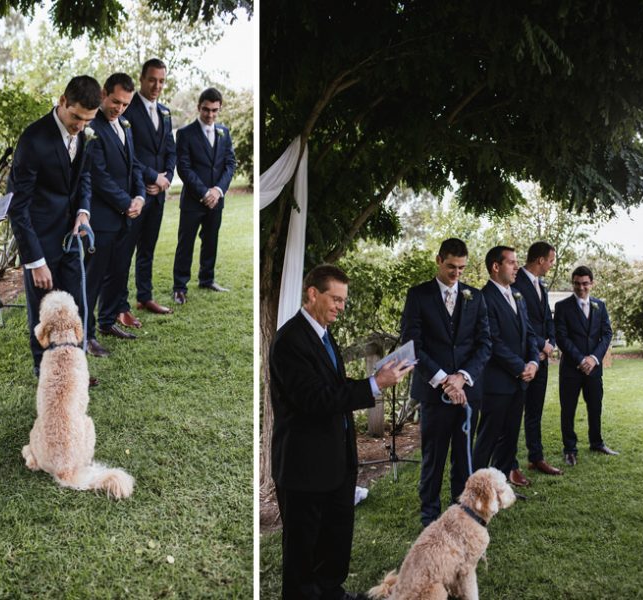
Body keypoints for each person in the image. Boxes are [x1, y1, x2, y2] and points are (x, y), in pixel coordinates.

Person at [270, 264, 414, 600]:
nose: (340, 307)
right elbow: (314, 399)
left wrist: (374, 379)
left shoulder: (323, 332)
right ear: (312, 294)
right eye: (335, 299)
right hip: (304, 466)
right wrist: (374, 385)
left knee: (334, 543)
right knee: (302, 555)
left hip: (335, 461)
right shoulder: (290, 340)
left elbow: (333, 386)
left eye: (344, 301)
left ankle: (332, 593)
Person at [7, 75, 101, 376]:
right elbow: (17, 206)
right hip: (41, 241)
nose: (80, 126)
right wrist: (35, 261)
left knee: (76, 306)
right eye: (76, 117)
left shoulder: (84, 135)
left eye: (87, 120)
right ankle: (44, 371)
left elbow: (83, 177)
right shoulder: (33, 139)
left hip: (71, 238)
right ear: (62, 101)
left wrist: (83, 212)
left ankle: (73, 368)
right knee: (43, 311)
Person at [400, 238, 491, 527]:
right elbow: (412, 344)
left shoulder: (475, 297)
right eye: (451, 266)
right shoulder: (419, 295)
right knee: (433, 458)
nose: (456, 273)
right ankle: (430, 516)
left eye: (462, 268)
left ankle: (461, 513)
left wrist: (462, 378)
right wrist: (443, 380)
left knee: (464, 459)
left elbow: (484, 344)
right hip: (433, 392)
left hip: (466, 393)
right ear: (439, 260)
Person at [83, 72, 145, 356]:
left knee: (118, 273)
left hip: (125, 216)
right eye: (116, 102)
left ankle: (109, 321)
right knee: (93, 280)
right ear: (104, 93)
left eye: (125, 105)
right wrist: (126, 202)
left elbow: (134, 165)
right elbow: (98, 175)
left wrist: (141, 196)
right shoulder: (91, 126)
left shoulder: (125, 125)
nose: (119, 109)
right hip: (102, 218)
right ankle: (87, 334)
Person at [113, 58, 177, 329]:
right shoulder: (128, 109)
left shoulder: (164, 112)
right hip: (136, 192)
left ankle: (145, 297)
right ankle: (119, 306)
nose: (156, 86)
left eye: (161, 81)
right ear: (141, 78)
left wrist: (166, 179)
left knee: (148, 249)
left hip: (159, 194)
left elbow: (171, 151)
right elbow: (128, 154)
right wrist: (152, 177)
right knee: (125, 251)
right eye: (152, 80)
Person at [473, 246, 540, 487]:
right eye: (512, 263)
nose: (517, 267)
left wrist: (533, 362)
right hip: (497, 383)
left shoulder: (518, 295)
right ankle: (477, 489)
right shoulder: (483, 298)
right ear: (496, 266)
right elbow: (492, 341)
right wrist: (520, 366)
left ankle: (499, 488)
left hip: (519, 382)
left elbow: (530, 334)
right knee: (487, 439)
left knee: (510, 439)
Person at [171, 87, 236, 304]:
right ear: (199, 107)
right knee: (185, 243)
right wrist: (204, 192)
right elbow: (184, 167)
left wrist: (218, 190)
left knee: (211, 241)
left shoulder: (224, 133)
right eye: (206, 110)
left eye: (214, 110)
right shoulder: (185, 134)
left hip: (217, 199)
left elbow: (230, 163)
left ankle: (207, 279)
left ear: (219, 109)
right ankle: (179, 286)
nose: (210, 115)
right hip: (193, 200)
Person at [554, 266, 616, 465]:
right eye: (577, 283)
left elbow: (606, 333)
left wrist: (594, 359)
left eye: (585, 283)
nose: (581, 288)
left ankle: (597, 442)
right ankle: (569, 449)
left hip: (594, 369)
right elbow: (561, 337)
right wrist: (581, 359)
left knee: (595, 407)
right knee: (568, 410)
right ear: (573, 283)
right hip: (571, 369)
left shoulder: (600, 305)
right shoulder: (563, 307)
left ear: (592, 284)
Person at [510, 241, 562, 480]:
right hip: (523, 359)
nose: (551, 265)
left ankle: (536, 457)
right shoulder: (515, 282)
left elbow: (546, 318)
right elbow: (522, 321)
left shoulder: (541, 285)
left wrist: (550, 342)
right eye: (551, 260)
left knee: (535, 411)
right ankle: (510, 464)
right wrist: (541, 345)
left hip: (541, 359)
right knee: (512, 414)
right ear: (541, 260)